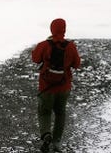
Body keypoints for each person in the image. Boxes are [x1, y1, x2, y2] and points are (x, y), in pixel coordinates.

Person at [31, 18, 81, 152]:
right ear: (64, 30)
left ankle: (46, 134)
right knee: (60, 113)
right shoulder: (70, 46)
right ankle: (57, 142)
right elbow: (77, 64)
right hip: (64, 87)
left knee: (44, 112)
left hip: (46, 87)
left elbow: (35, 58)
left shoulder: (44, 45)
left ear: (51, 29)